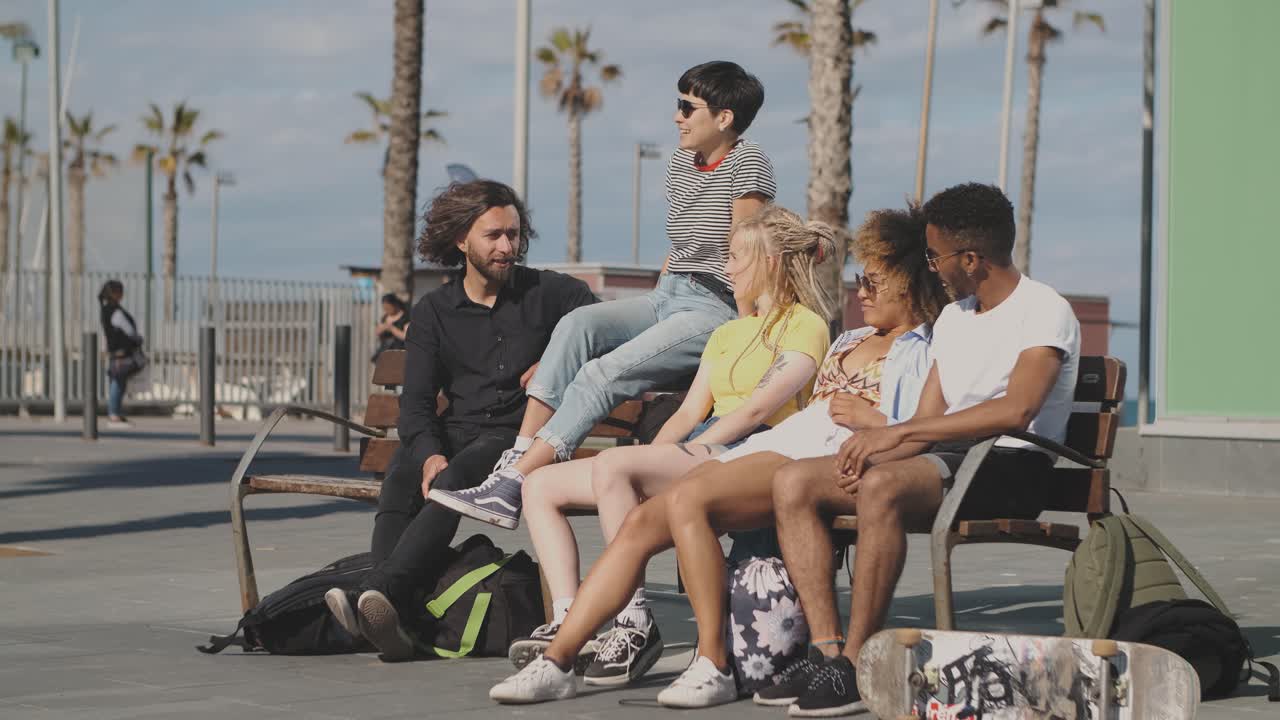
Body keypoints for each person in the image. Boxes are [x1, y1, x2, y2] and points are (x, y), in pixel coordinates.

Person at [489, 205, 952, 708]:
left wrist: (868, 420)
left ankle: (713, 662)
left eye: (873, 281)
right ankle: (558, 660)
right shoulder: (850, 338)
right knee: (644, 521)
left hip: (816, 457)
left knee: (689, 496)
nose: (860, 291)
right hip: (780, 445)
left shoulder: (924, 348)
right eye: (860, 279)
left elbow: (919, 432)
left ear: (908, 282)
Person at [771, 182, 1081, 716]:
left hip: (1011, 463)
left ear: (971, 258)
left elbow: (1017, 410)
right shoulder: (956, 318)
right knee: (793, 481)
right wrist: (881, 442)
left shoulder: (1044, 309)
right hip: (950, 459)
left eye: (936, 255)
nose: (931, 265)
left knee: (883, 485)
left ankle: (858, 660)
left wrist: (896, 439)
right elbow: (927, 421)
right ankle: (828, 651)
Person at [429, 60, 777, 530]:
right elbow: (681, 247)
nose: (676, 116)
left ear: (724, 117)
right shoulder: (680, 162)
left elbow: (747, 250)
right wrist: (658, 298)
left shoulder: (749, 161)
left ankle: (513, 484)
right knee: (576, 325)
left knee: (603, 371)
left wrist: (746, 331)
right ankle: (517, 460)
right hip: (670, 294)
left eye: (686, 106)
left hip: (716, 306)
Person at [510, 205, 836, 688]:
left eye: (734, 257)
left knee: (616, 466)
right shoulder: (727, 332)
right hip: (706, 444)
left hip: (751, 449)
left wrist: (666, 461)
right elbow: (687, 413)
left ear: (770, 261)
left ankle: (632, 621)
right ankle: (567, 614)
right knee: (540, 485)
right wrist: (658, 458)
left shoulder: (806, 324)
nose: (726, 269)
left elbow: (754, 411)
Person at [323, 180, 598, 661]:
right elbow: (416, 407)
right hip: (457, 433)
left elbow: (604, 329)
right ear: (461, 241)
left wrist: (562, 357)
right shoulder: (434, 311)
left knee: (458, 472)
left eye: (513, 234)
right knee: (403, 475)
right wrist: (427, 452)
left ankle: (379, 592)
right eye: (493, 235)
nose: (507, 247)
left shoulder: (551, 293)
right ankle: (390, 611)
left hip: (522, 439)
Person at [98, 279, 144, 427]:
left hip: (115, 352)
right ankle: (113, 415)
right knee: (118, 382)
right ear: (116, 293)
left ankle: (115, 413)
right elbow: (129, 330)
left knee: (118, 381)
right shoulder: (115, 311)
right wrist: (138, 338)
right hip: (121, 352)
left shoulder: (106, 310)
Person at [371, 293, 409, 363]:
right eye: (385, 308)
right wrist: (380, 330)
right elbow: (378, 334)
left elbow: (406, 336)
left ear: (395, 305)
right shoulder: (385, 317)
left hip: (399, 353)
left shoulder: (405, 318)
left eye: (388, 308)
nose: (386, 310)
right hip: (385, 352)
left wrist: (392, 329)